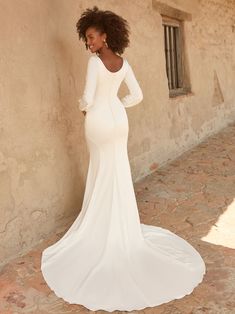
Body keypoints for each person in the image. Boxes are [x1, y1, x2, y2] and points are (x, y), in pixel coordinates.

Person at [41, 6, 206, 312]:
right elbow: (137, 95)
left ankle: (99, 229)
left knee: (101, 172)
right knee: (116, 172)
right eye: (87, 39)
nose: (89, 43)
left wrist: (83, 106)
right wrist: (119, 103)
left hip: (99, 123)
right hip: (119, 121)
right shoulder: (123, 63)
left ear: (104, 35)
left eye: (92, 37)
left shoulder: (94, 63)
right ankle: (121, 229)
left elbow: (89, 98)